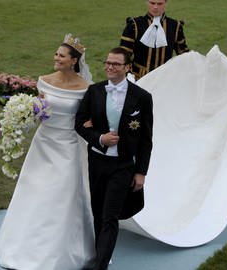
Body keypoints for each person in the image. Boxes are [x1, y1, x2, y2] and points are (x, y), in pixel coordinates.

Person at [0, 34, 95, 270]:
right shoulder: (45, 81)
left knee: (62, 193)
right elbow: (42, 114)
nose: (56, 58)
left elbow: (87, 117)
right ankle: (23, 245)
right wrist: (24, 115)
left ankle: (59, 251)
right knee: (35, 189)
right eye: (56, 54)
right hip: (44, 143)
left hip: (68, 145)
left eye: (61, 56)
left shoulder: (86, 87)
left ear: (73, 60)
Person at [75, 47, 153, 269]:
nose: (110, 67)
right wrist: (99, 138)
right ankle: (102, 254)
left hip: (123, 165)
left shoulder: (142, 98)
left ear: (127, 67)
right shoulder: (94, 91)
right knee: (98, 213)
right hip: (98, 162)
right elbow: (79, 124)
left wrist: (141, 172)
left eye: (116, 64)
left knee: (110, 216)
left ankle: (100, 266)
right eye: (108, 62)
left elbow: (146, 139)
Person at [119, 0, 189, 80]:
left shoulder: (175, 26)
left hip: (165, 79)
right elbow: (123, 55)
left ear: (166, 3)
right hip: (139, 79)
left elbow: (184, 55)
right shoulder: (134, 25)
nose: (155, 7)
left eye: (159, 4)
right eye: (152, 3)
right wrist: (129, 75)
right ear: (147, 2)